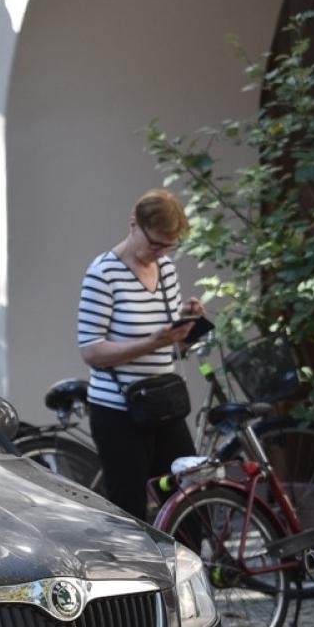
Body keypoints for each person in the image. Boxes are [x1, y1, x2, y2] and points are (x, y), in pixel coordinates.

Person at [77, 188, 205, 520]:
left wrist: (188, 328)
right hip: (118, 410)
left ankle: (189, 570)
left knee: (189, 497)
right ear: (134, 225)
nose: (161, 253)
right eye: (155, 244)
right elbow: (90, 351)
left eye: (169, 246)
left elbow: (174, 347)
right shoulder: (103, 273)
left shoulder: (167, 270)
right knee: (130, 509)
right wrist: (153, 342)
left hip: (162, 403)